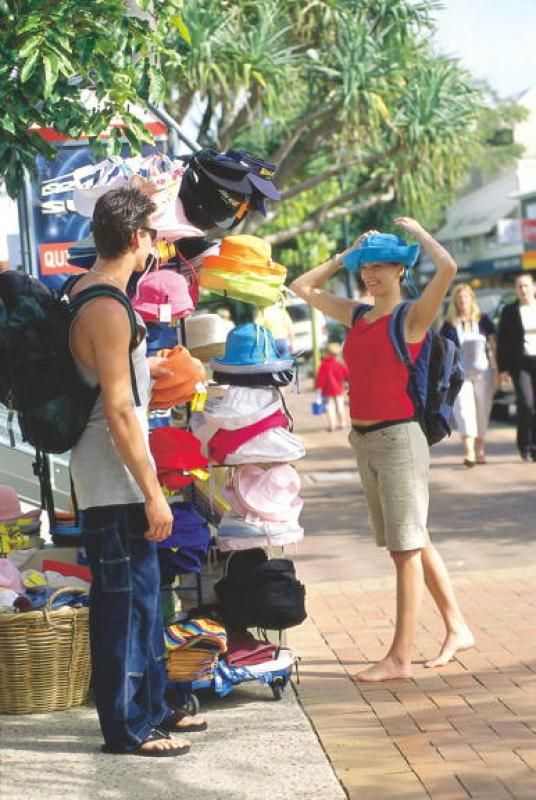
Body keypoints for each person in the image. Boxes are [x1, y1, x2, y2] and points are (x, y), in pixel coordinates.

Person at [291, 219, 474, 682]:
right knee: (414, 538)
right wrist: (345, 254)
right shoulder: (357, 315)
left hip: (399, 439)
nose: (370, 275)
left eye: (379, 267)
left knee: (404, 550)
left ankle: (400, 657)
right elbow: (301, 286)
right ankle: (456, 626)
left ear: (399, 270)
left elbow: (448, 267)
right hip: (364, 439)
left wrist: (418, 234)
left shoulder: (410, 317)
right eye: (365, 268)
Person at [69, 186, 205, 756]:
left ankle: (153, 709)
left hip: (111, 475)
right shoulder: (105, 304)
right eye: (153, 233)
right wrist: (153, 493)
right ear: (134, 238)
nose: (158, 244)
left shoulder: (90, 294)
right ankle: (125, 729)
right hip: (114, 480)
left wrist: (143, 365)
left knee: (144, 600)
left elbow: (108, 380)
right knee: (123, 607)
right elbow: (120, 411)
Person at [440, 284, 496, 466]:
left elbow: (494, 344)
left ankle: (480, 448)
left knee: (482, 410)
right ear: (455, 302)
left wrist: (499, 369)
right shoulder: (449, 325)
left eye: (465, 297)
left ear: (472, 299)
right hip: (460, 373)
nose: (462, 300)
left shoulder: (483, 320)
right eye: (459, 298)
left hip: (484, 372)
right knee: (464, 410)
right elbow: (443, 351)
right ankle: (469, 452)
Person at [497, 273, 536, 461]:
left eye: (526, 286)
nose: (523, 290)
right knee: (526, 403)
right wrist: (502, 369)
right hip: (520, 364)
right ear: (516, 290)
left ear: (534, 288)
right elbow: (502, 342)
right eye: (519, 286)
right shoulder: (509, 311)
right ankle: (525, 446)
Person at [315, 342, 349, 432]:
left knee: (329, 407)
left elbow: (320, 379)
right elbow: (347, 375)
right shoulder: (340, 364)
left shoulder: (324, 365)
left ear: (327, 353)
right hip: (338, 389)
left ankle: (332, 425)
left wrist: (318, 388)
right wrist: (347, 383)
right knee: (340, 406)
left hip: (327, 390)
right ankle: (342, 423)